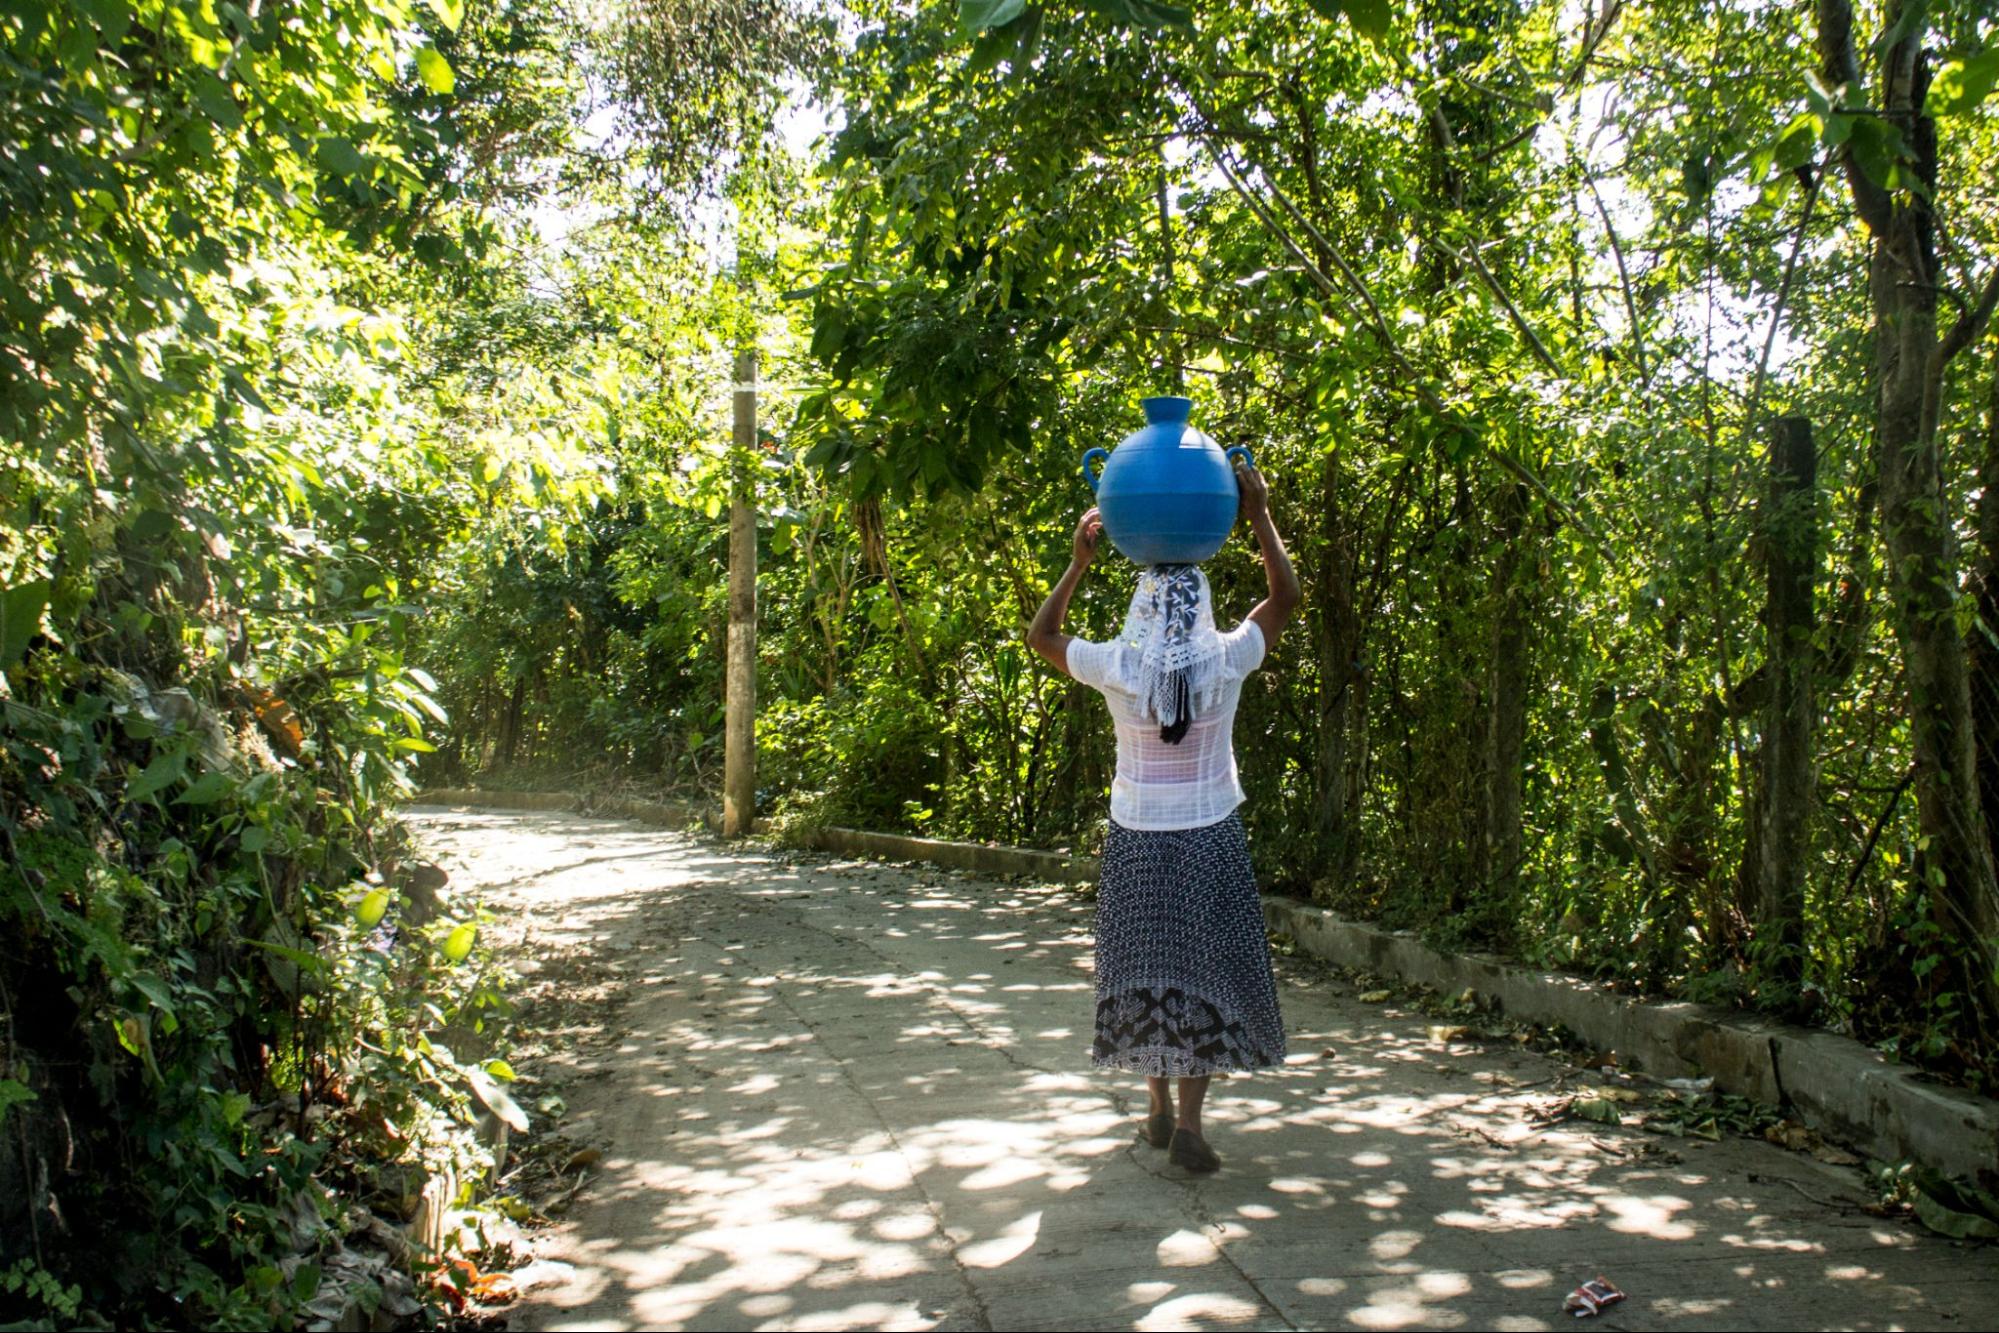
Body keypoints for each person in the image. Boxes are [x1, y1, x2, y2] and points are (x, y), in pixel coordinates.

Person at [1025, 461, 1301, 1172]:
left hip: (1138, 840)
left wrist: (1076, 561)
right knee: (1203, 972)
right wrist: (1259, 514)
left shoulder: (1116, 662)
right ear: (1202, 601)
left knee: (1149, 973)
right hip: (1209, 836)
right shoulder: (1228, 657)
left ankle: (1153, 1109)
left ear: (1141, 608)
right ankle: (1187, 1122)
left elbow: (1041, 634)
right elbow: (1285, 596)